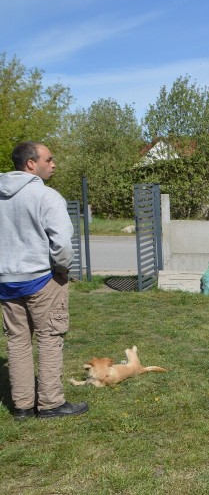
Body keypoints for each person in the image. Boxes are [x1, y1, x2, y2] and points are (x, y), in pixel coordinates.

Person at [0, 142, 88, 419]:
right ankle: (50, 403)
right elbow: (61, 244)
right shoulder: (46, 196)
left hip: (6, 281)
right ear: (30, 164)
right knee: (50, 339)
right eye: (49, 159)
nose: (54, 164)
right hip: (41, 280)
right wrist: (62, 269)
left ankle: (23, 406)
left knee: (17, 342)